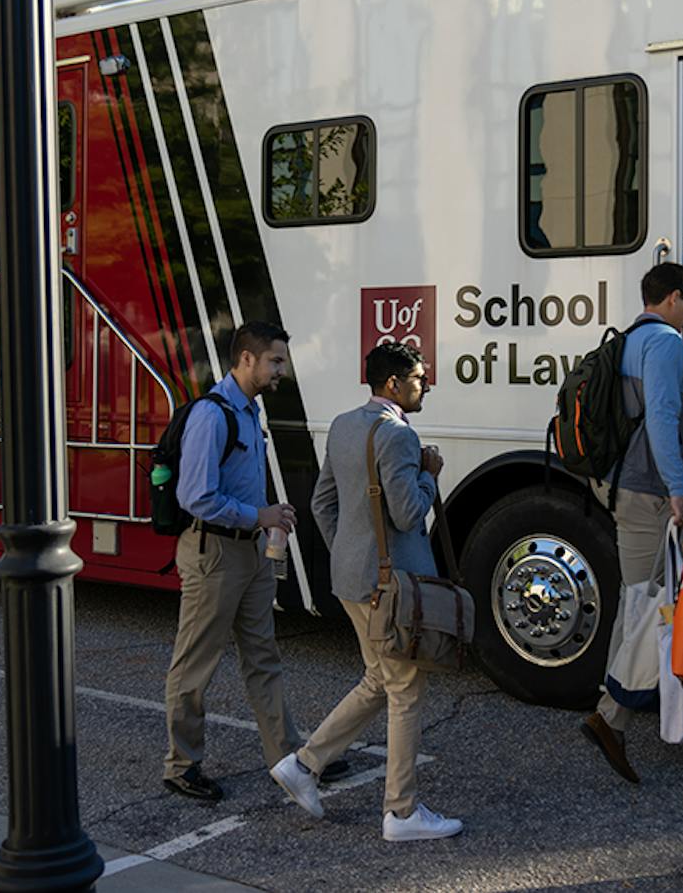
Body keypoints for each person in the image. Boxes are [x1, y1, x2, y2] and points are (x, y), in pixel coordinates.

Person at [271, 342, 464, 842]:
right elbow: (406, 514)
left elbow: (321, 502)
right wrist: (428, 471)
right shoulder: (399, 435)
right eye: (420, 378)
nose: (427, 385)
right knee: (405, 690)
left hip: (354, 580)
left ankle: (305, 765)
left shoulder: (343, 424)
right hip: (391, 585)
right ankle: (401, 813)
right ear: (394, 385)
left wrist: (348, 554)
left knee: (380, 680)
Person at [161, 321, 347, 801]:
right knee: (195, 664)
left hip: (249, 550)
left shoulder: (249, 413)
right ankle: (182, 766)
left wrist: (269, 517)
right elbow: (196, 496)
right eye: (276, 361)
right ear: (247, 359)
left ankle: (290, 761)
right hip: (214, 552)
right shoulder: (213, 414)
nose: (282, 370)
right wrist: (258, 514)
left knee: (263, 657)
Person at [581, 261, 683, 784]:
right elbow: (663, 418)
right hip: (649, 488)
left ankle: (607, 708)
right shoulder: (667, 343)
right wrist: (678, 489)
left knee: (635, 602)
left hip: (620, 483)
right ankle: (612, 718)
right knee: (652, 606)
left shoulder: (628, 339)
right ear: (673, 298)